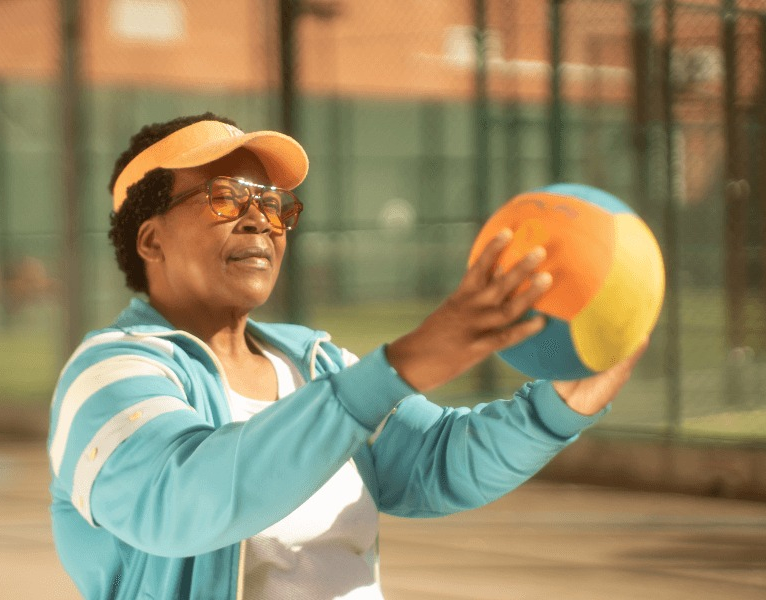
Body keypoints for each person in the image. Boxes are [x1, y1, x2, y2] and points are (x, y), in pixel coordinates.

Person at [48, 113, 644, 599]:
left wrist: (559, 407)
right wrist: (399, 367)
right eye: (227, 198)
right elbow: (183, 500)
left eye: (276, 203)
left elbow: (435, 461)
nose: (263, 218)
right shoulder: (108, 376)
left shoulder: (315, 364)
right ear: (150, 239)